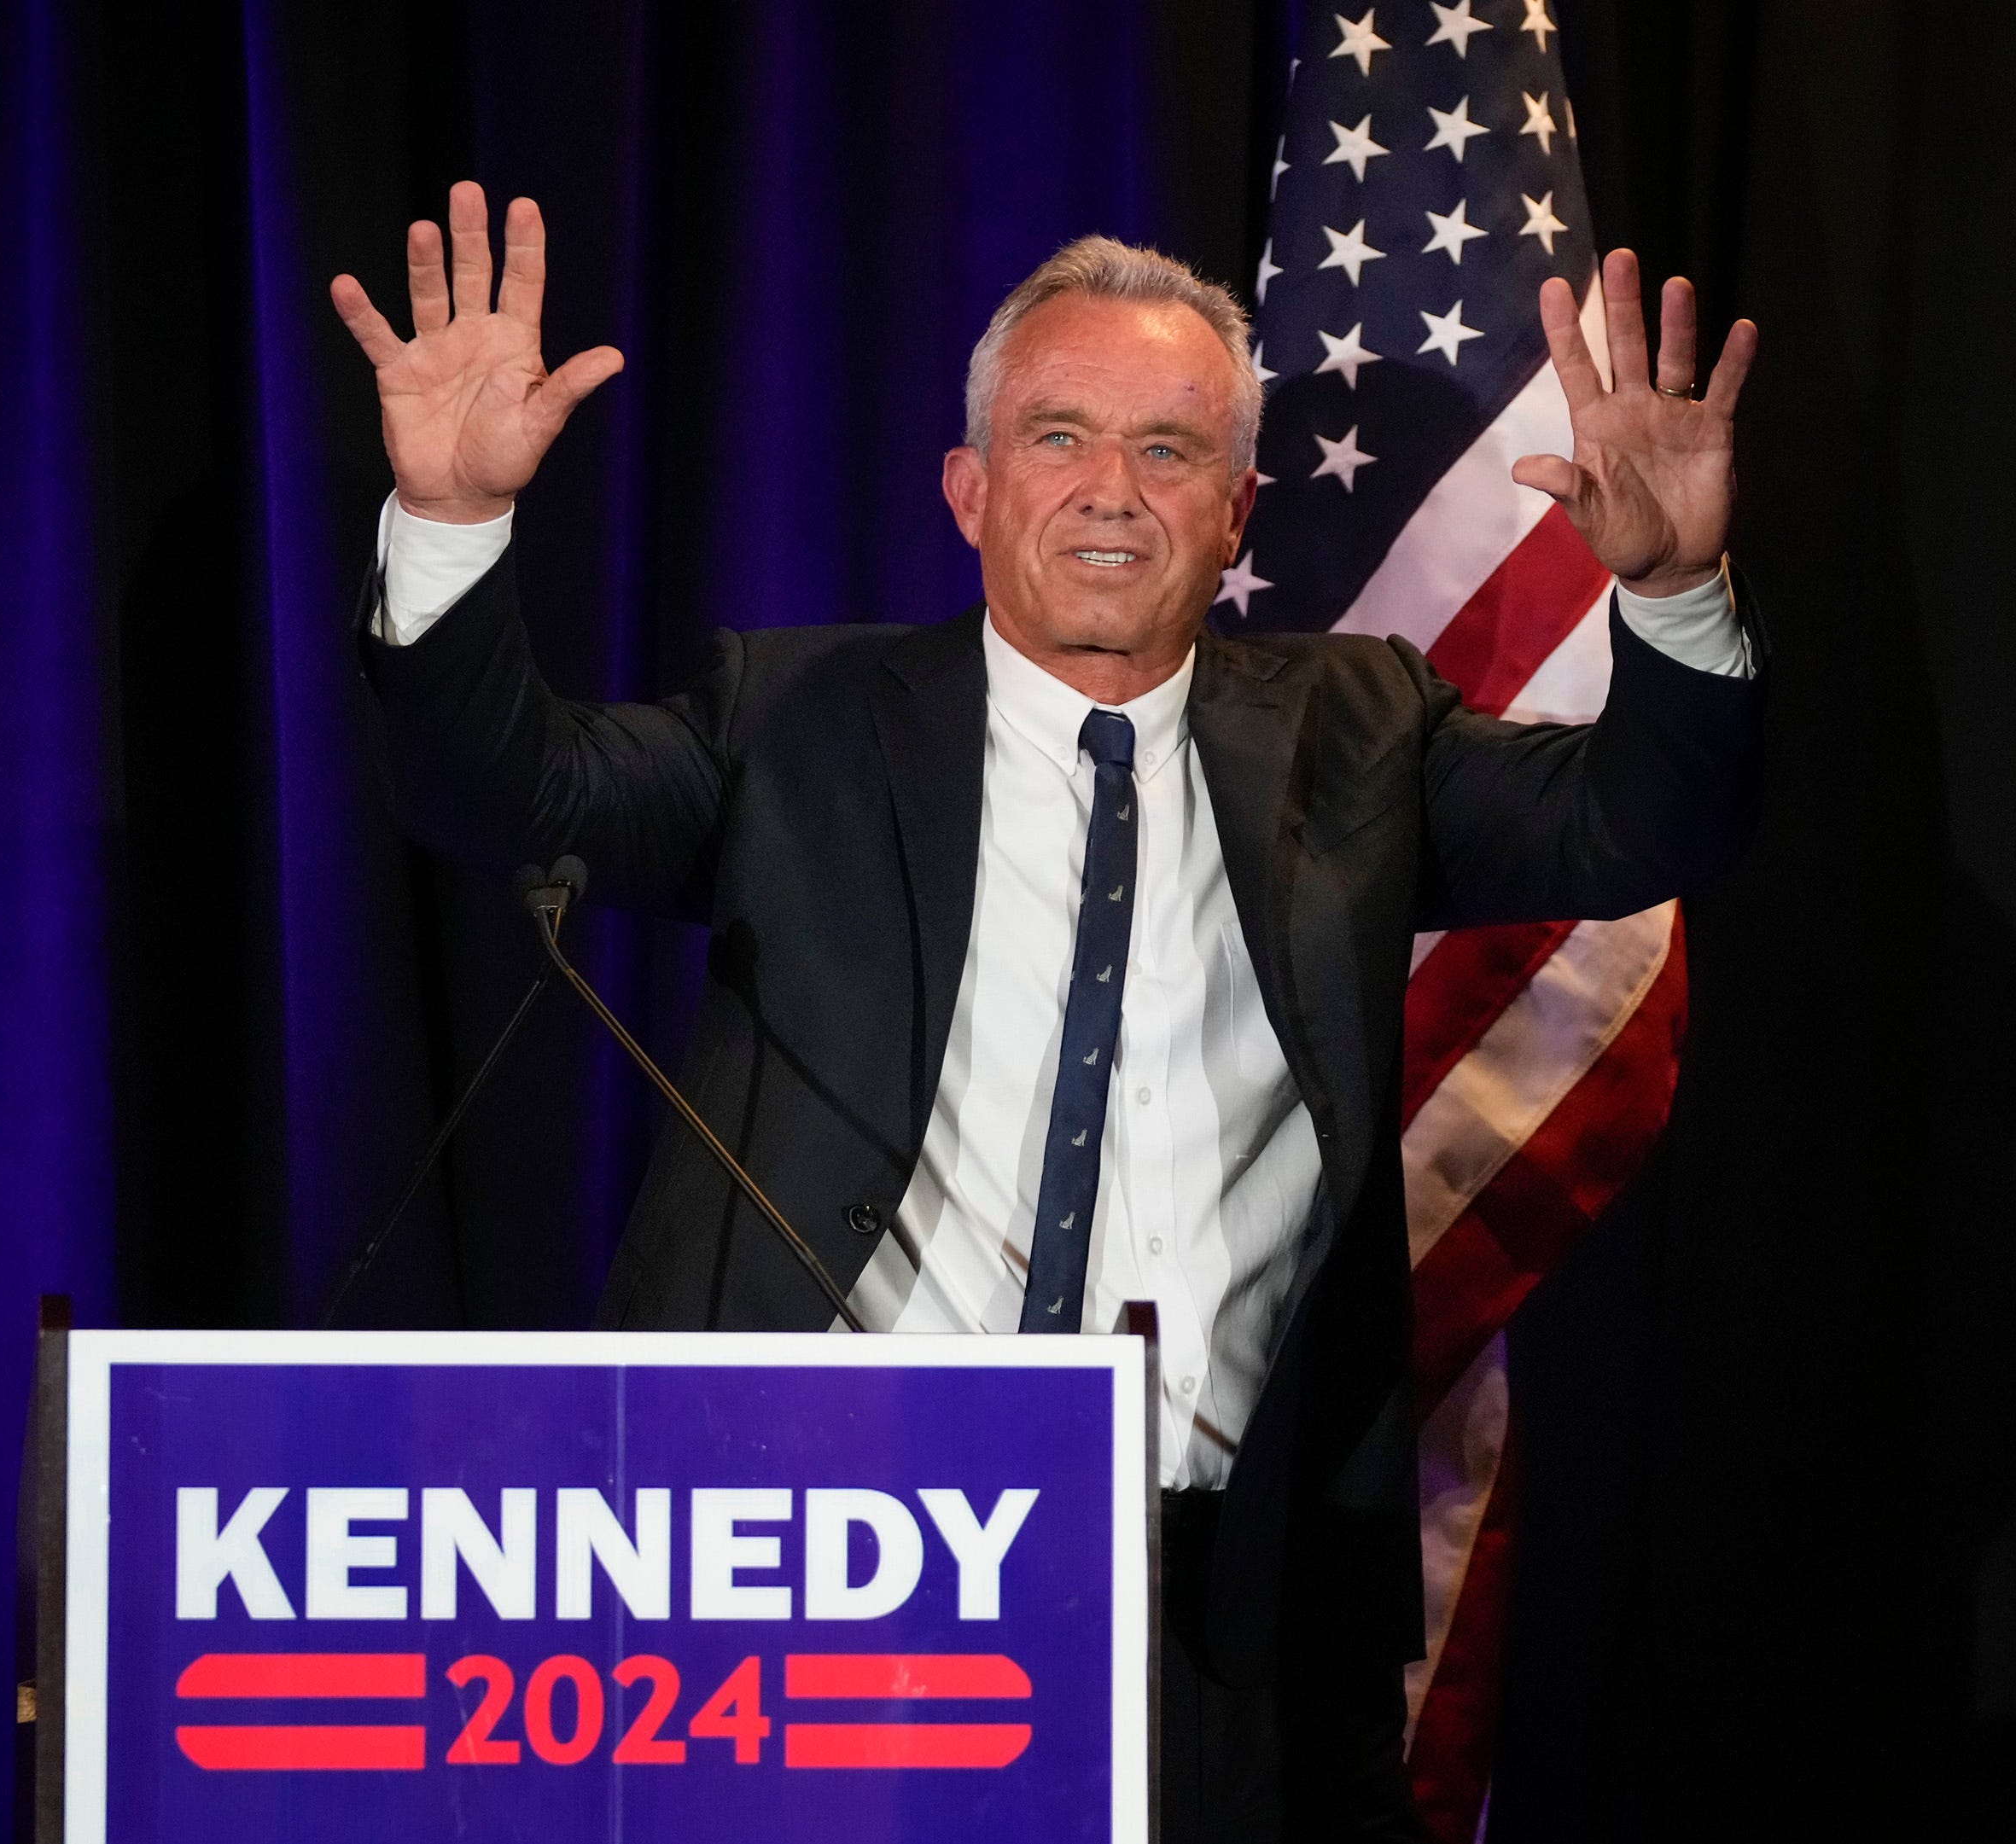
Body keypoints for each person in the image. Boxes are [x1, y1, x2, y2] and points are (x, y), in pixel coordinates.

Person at [332, 181, 1762, 1841]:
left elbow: (1649, 823)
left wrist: (1673, 594)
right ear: (970, 487)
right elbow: (499, 789)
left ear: (1238, 515)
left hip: (1230, 1591)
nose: (1111, 491)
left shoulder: (1362, 729)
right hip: (825, 1560)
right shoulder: (792, 721)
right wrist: (446, 524)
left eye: (1170, 453)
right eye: (1060, 434)